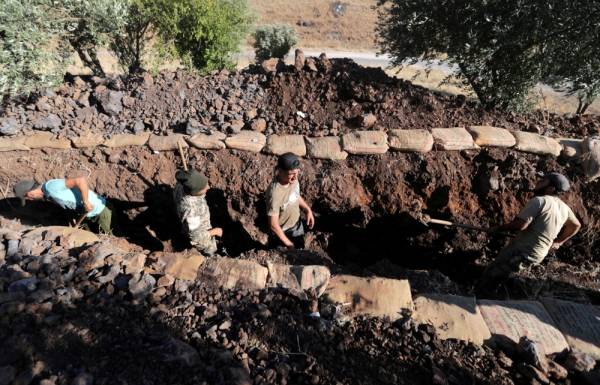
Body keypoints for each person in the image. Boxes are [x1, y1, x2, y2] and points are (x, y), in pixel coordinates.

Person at [479, 172, 581, 292]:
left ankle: (483, 296)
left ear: (551, 188)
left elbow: (521, 225)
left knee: (493, 274)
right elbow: (576, 225)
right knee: (501, 273)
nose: (538, 183)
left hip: (523, 251)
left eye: (543, 181)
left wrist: (498, 229)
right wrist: (559, 242)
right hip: (537, 253)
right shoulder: (564, 208)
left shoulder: (539, 201)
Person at [13, 177, 113, 234]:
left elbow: (80, 180)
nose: (31, 200)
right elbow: (67, 201)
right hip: (86, 214)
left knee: (109, 237)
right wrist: (72, 220)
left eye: (29, 198)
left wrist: (86, 201)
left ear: (31, 193)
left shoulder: (52, 186)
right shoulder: (47, 194)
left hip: (100, 210)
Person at [265, 152, 315, 249]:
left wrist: (307, 209)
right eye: (291, 174)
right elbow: (273, 225)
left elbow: (295, 196)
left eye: (297, 173)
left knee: (300, 250)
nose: (295, 177)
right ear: (280, 171)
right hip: (282, 232)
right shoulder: (275, 194)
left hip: (296, 226)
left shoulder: (293, 180)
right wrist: (289, 244)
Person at [173, 169, 222, 256]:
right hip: (201, 232)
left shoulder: (183, 184)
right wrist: (215, 231)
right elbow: (196, 237)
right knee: (209, 248)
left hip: (188, 219)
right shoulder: (191, 211)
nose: (208, 187)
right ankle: (209, 255)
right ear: (194, 193)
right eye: (204, 188)